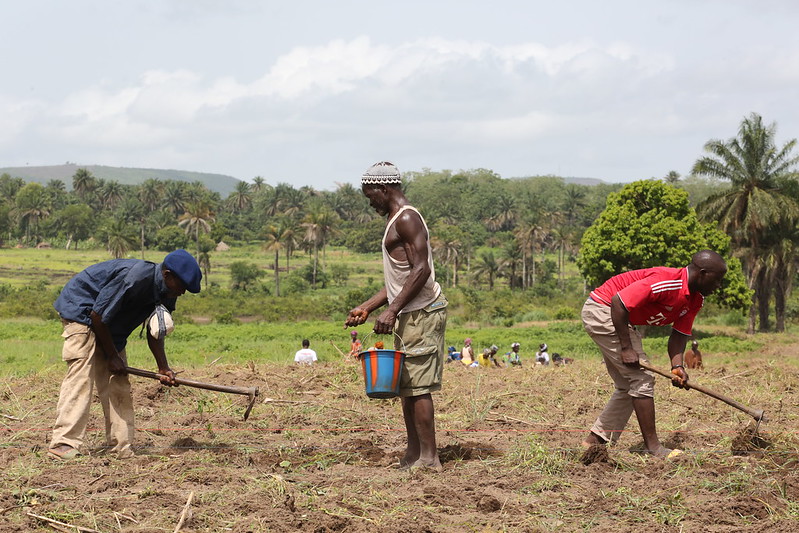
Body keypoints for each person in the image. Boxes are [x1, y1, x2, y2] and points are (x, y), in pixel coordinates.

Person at [48, 249, 202, 460]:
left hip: (109, 325)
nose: (183, 292)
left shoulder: (167, 292)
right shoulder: (135, 278)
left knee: (119, 382)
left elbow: (155, 330)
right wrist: (112, 356)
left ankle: (121, 447)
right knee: (82, 375)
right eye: (182, 286)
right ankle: (63, 443)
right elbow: (97, 315)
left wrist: (163, 367)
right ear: (167, 275)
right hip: (83, 313)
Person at [345, 161, 448, 470]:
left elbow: (421, 270)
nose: (370, 202)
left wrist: (392, 310)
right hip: (409, 310)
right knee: (406, 387)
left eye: (370, 196)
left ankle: (429, 458)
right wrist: (368, 307)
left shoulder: (407, 219)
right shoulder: (395, 219)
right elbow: (400, 280)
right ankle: (413, 454)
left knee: (418, 387)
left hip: (422, 312)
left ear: (384, 189)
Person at [581, 250, 727, 458]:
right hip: (603, 308)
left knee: (627, 384)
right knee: (642, 378)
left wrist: (677, 366)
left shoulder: (695, 300)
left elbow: (679, 335)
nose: (718, 286)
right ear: (703, 273)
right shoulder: (668, 282)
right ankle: (653, 447)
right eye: (717, 280)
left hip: (617, 315)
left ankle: (595, 441)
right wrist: (626, 347)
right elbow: (618, 302)